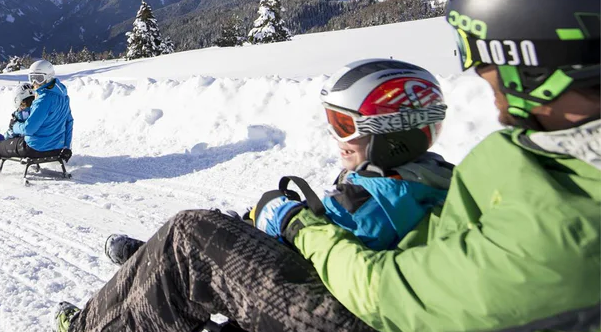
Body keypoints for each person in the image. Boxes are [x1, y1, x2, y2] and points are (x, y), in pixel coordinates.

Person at [52, 0, 601, 332]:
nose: (484, 77)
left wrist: (300, 228)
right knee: (212, 243)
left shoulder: (568, 223)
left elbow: (390, 297)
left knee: (195, 236)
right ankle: (167, 270)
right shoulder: (557, 155)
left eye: (489, 61)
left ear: (539, 62)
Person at [103, 58, 454, 269]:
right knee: (238, 220)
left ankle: (161, 262)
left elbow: (325, 254)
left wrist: (281, 218)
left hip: (296, 291)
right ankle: (162, 252)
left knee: (202, 228)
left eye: (344, 125)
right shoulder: (425, 182)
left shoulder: (376, 205)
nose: (336, 137)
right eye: (332, 122)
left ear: (392, 134)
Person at [0, 59, 73, 176]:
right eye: (31, 78)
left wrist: (15, 127)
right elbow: (69, 121)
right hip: (56, 148)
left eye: (39, 78)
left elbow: (29, 129)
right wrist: (66, 146)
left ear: (48, 77)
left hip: (35, 148)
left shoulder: (43, 99)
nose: (34, 82)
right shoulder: (64, 97)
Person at [0, 82, 35, 156]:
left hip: (17, 145)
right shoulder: (38, 111)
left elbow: (12, 135)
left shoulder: (22, 114)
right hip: (25, 145)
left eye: (24, 103)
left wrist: (11, 128)